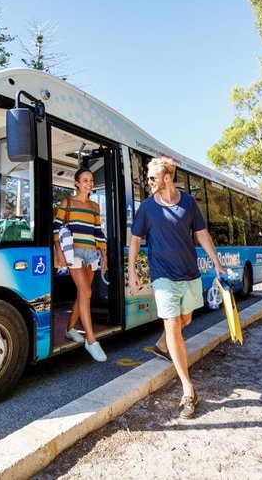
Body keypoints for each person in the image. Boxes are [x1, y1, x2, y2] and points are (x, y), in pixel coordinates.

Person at [128, 157, 226, 419]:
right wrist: (132, 271)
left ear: (167, 177)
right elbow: (135, 239)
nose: (148, 182)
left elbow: (202, 234)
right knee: (172, 323)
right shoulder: (147, 208)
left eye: (152, 178)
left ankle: (162, 345)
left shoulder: (188, 203)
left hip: (189, 274)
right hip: (163, 276)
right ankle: (188, 389)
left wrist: (217, 262)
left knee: (186, 318)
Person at [53, 168, 109, 362]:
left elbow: (98, 232)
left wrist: (104, 254)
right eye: (85, 180)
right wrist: (59, 252)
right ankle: (91, 341)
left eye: (91, 180)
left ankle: (69, 329)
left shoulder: (95, 207)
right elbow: (56, 228)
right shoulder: (67, 202)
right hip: (74, 252)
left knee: (82, 293)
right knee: (86, 293)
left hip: (91, 253)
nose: (89, 183)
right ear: (76, 183)